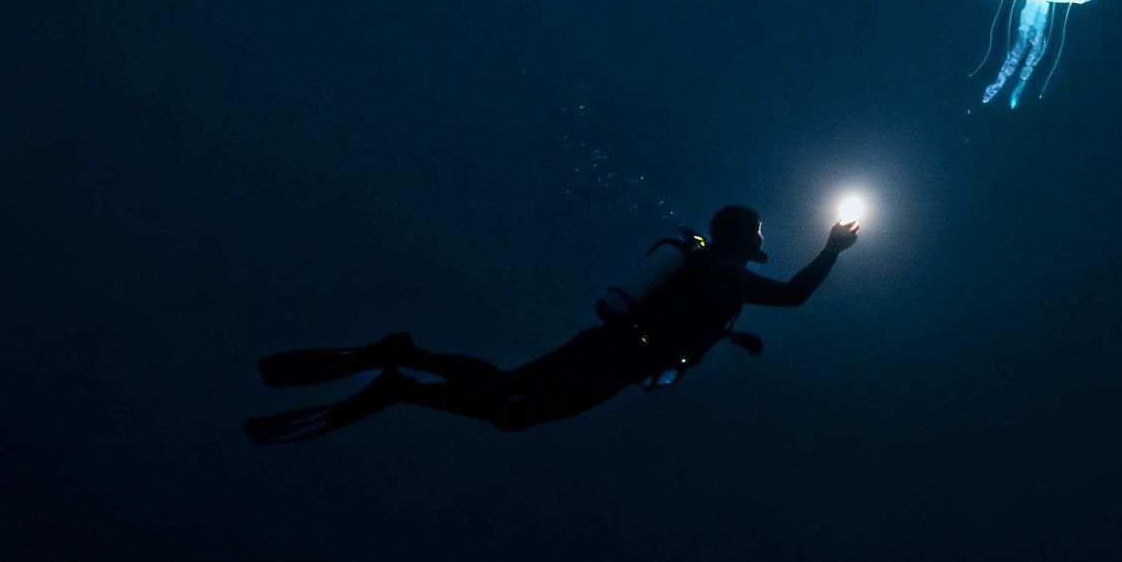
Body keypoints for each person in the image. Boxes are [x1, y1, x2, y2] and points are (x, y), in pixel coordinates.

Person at [245, 205, 859, 443]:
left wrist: (728, 336)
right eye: (756, 237)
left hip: (610, 344)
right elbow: (797, 296)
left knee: (510, 385)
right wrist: (832, 249)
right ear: (743, 240)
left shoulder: (708, 273)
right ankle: (401, 382)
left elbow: (690, 321)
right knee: (515, 410)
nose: (760, 244)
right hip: (620, 359)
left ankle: (407, 361)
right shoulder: (728, 276)